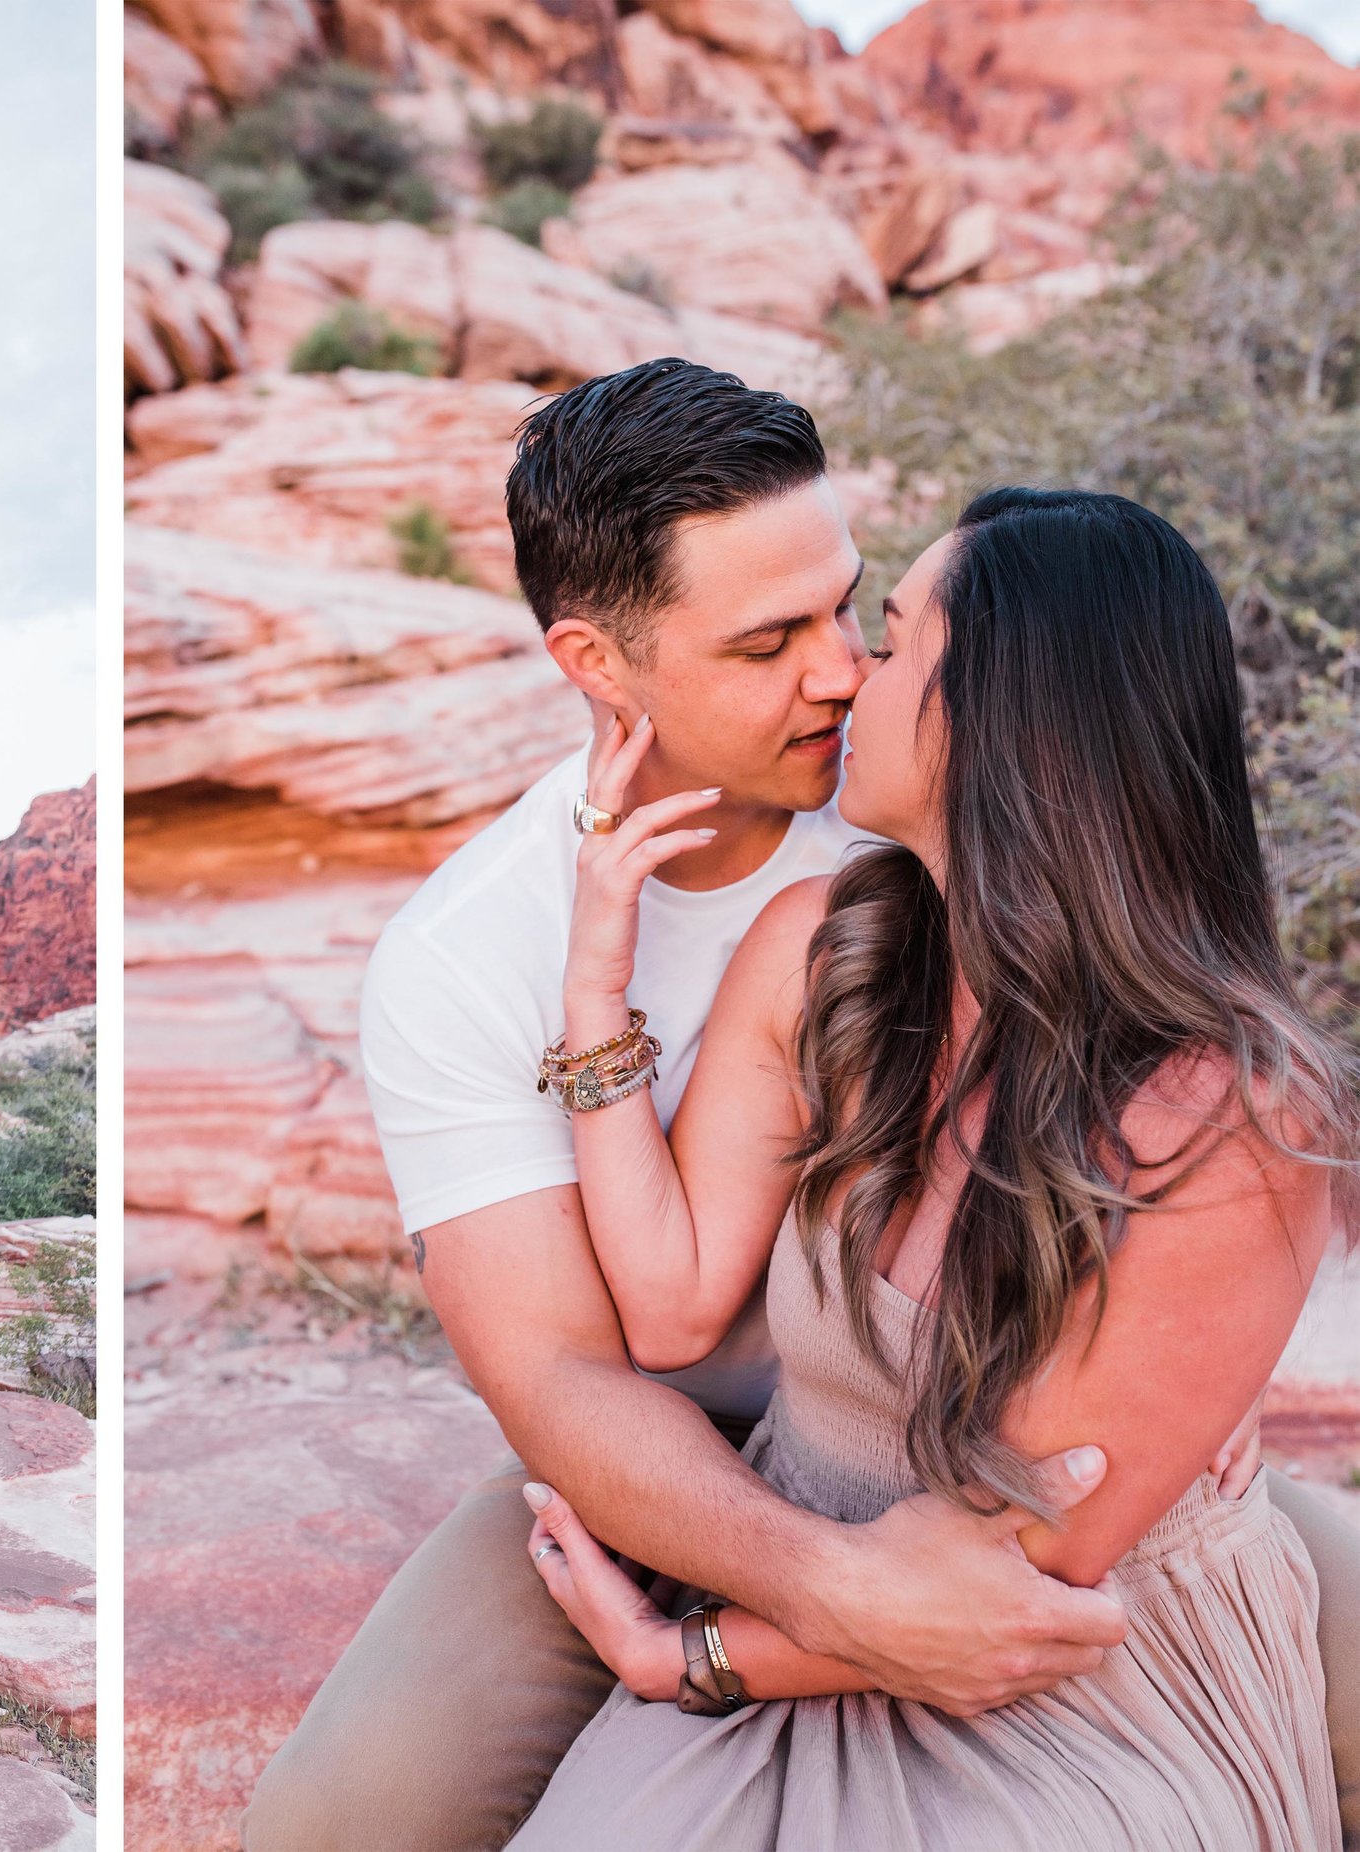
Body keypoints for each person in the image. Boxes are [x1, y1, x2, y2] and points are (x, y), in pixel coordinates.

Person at [244, 361, 1360, 1848]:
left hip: (1010, 1445)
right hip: (684, 1474)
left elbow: (1163, 1020)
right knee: (336, 1825)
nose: (838, 671)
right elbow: (576, 1379)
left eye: (853, 609)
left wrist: (1184, 1352)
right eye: (772, 640)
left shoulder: (916, 792)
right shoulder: (468, 960)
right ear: (600, 663)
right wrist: (811, 1599)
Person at [511, 485, 1353, 1846]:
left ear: (1010, 714)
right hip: (816, 1587)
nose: (849, 675)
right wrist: (596, 974)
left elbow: (1014, 1590)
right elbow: (666, 1303)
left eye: (893, 640)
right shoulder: (828, 955)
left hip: (1065, 1691)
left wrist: (687, 1661)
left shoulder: (1226, 1118)